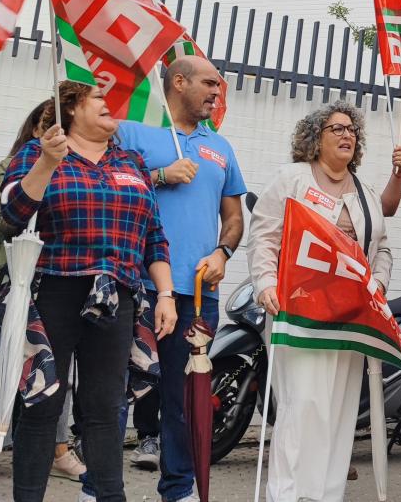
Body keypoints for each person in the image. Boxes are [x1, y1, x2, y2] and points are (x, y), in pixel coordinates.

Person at [0, 82, 177, 502]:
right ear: (71, 109)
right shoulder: (34, 155)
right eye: (97, 97)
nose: (108, 104)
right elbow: (11, 218)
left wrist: (165, 294)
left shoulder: (131, 162)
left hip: (118, 295)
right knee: (42, 404)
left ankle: (110, 497)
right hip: (53, 291)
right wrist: (46, 162)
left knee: (104, 409)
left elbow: (154, 236)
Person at [249, 101, 397, 500]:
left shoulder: (365, 193)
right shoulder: (291, 179)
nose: (347, 134)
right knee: (304, 408)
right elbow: (264, 236)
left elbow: (381, 248)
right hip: (298, 315)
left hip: (350, 318)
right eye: (336, 128)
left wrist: (378, 283)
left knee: (339, 414)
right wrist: (265, 283)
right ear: (315, 138)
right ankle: (289, 495)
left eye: (352, 130)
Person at [115, 56, 247, 501]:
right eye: (210, 83)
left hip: (197, 296)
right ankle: (99, 487)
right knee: (115, 392)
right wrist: (158, 175)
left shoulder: (221, 148)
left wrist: (223, 251)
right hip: (134, 283)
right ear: (178, 81)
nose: (217, 92)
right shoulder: (133, 131)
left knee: (184, 399)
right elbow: (108, 187)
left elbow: (234, 216)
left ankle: (179, 489)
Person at [0, 102, 87, 490]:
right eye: (46, 125)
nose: (53, 134)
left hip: (55, 286)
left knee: (58, 371)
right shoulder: (12, 167)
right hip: (9, 282)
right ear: (35, 130)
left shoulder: (79, 171)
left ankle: (59, 450)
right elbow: (3, 223)